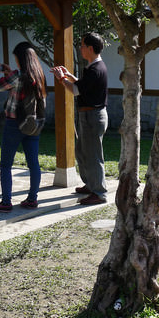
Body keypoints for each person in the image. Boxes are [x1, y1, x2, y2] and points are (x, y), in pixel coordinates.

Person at [0, 41, 47, 212]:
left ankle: (6, 202)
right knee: (33, 163)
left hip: (14, 124)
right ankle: (32, 199)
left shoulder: (17, 76)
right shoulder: (39, 76)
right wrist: (9, 71)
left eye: (16, 59)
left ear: (20, 58)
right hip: (33, 124)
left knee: (6, 164)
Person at [51, 32, 108, 206]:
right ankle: (91, 185)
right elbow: (82, 87)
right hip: (90, 116)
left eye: (83, 46)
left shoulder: (95, 69)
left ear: (90, 48)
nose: (81, 48)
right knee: (82, 152)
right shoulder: (95, 67)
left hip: (93, 116)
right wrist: (68, 76)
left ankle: (99, 192)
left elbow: (75, 91)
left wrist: (61, 79)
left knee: (93, 156)